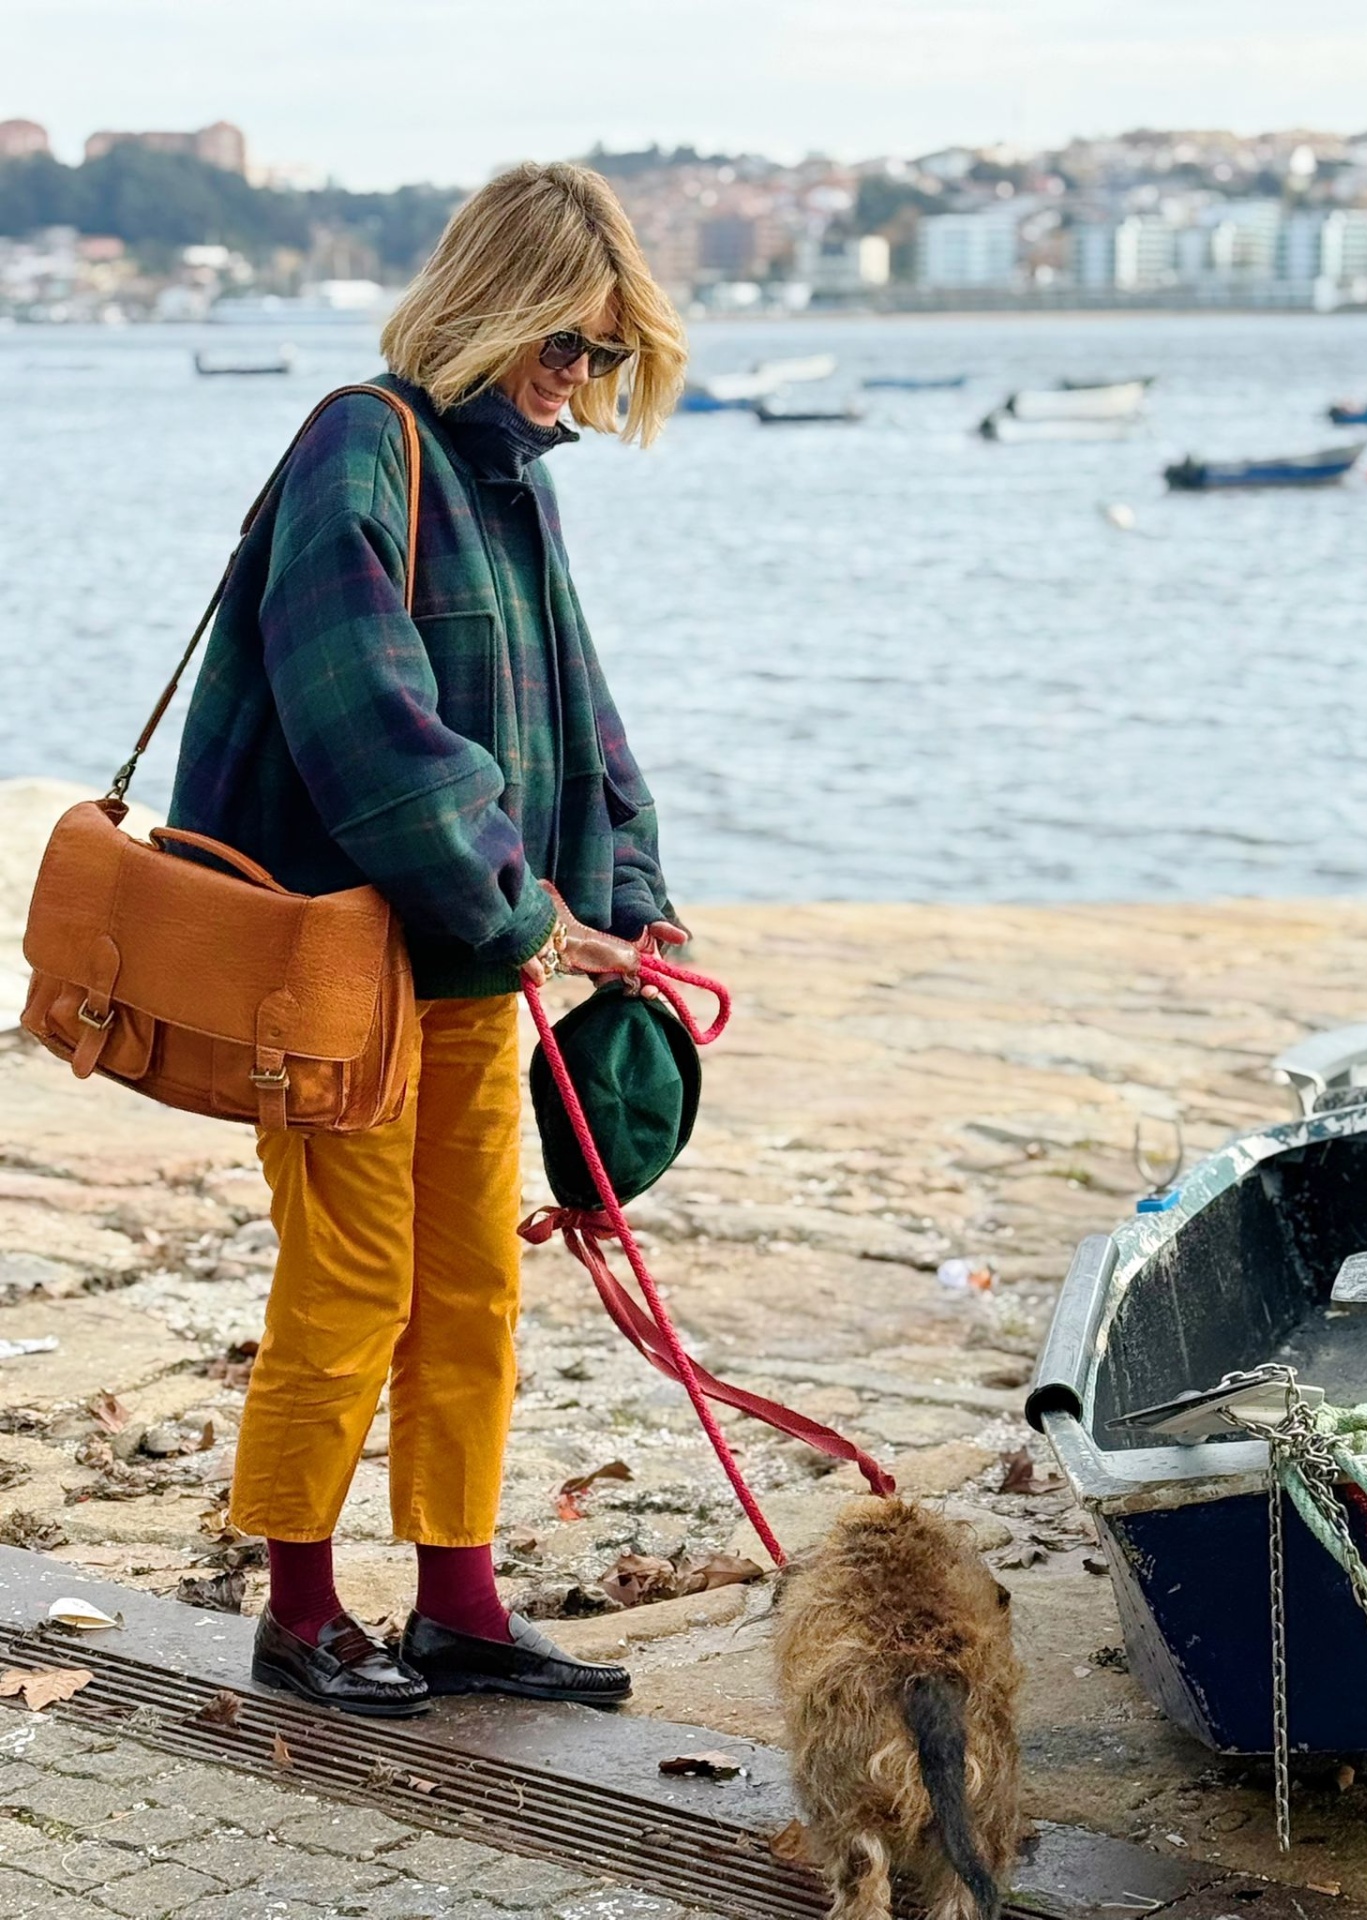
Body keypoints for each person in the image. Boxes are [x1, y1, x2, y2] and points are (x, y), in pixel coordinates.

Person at [168, 162, 688, 1716]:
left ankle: (460, 1607)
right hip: (335, 968)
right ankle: (301, 1614)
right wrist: (528, 907)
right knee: (351, 1283)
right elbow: (369, 725)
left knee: (471, 1286)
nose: (579, 375)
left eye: (603, 351)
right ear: (493, 304)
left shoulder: (514, 483)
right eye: (565, 340)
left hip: (468, 962)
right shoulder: (362, 442)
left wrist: (634, 889)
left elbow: (580, 713)